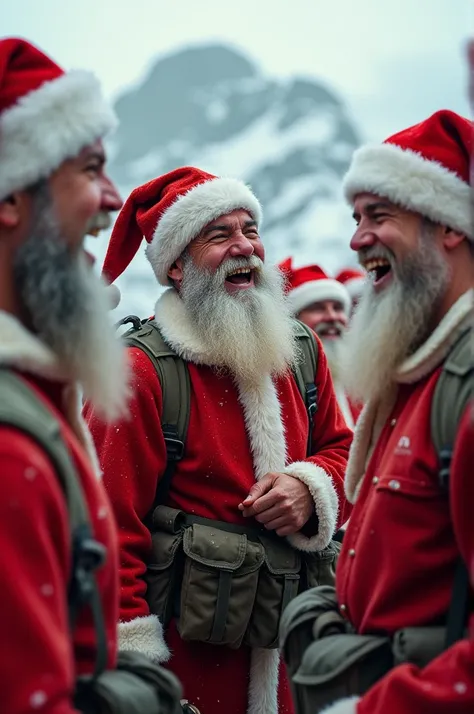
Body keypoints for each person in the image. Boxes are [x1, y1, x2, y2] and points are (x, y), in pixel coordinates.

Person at [85, 166, 353, 714]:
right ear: (176, 266)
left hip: (289, 665)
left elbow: (349, 456)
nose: (244, 248)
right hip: (185, 672)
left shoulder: (300, 351)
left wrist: (311, 488)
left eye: (250, 230)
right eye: (219, 235)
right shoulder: (138, 372)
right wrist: (137, 678)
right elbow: (106, 532)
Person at [319, 109, 474, 713]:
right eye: (356, 218)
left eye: (379, 216)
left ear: (450, 227)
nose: (358, 239)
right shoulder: (415, 374)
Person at [0, 37, 135, 714]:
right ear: (11, 199)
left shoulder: (37, 394)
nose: (112, 198)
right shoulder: (9, 449)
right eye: (90, 170)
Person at [278, 258, 361, 429]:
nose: (332, 317)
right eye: (317, 308)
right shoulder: (282, 386)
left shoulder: (358, 385)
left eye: (337, 308)